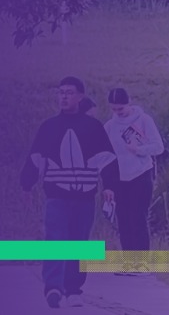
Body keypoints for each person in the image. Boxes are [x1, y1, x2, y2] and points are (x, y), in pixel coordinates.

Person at [20, 76, 118, 308]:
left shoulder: (93, 127)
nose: (64, 96)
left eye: (69, 92)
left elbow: (107, 160)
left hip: (85, 197)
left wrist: (110, 186)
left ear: (80, 96)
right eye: (61, 92)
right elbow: (35, 158)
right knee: (55, 239)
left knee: (78, 242)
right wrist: (27, 184)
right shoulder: (49, 127)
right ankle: (53, 287)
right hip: (56, 195)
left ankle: (73, 289)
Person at [103, 88, 165, 264]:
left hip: (141, 175)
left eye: (121, 109)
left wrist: (138, 150)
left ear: (129, 102)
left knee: (138, 218)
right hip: (119, 178)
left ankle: (142, 262)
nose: (118, 113)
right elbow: (106, 156)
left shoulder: (144, 120)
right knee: (124, 221)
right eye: (114, 109)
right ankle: (129, 262)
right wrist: (108, 183)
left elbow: (158, 147)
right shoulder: (109, 127)